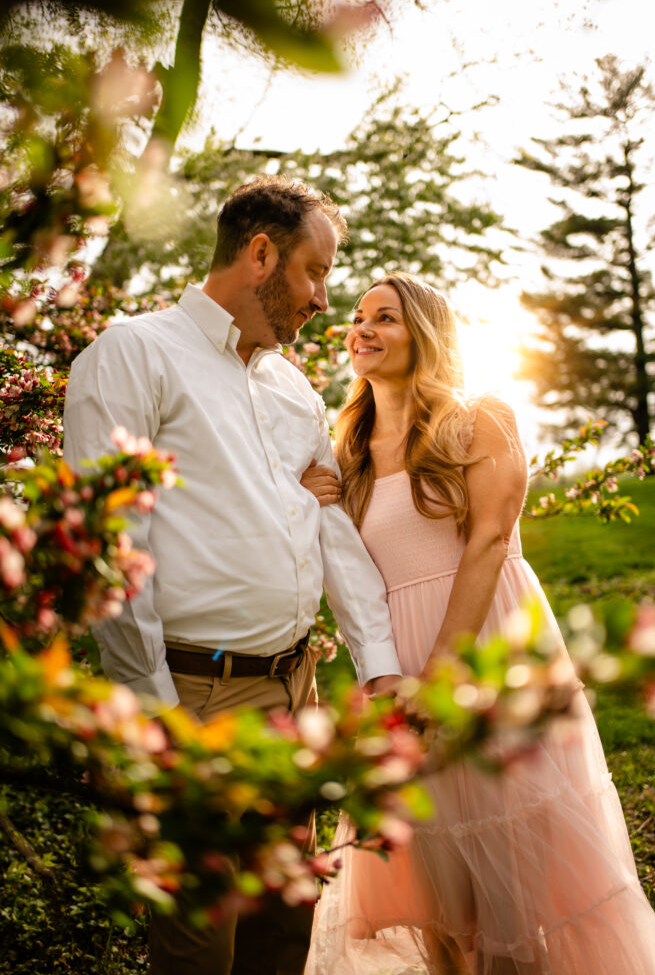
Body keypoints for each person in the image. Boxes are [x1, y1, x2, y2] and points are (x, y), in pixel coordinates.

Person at [62, 176, 402, 975]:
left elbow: (327, 526)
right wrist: (157, 720)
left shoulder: (289, 386)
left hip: (296, 688)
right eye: (315, 271)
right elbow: (112, 545)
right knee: (199, 945)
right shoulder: (134, 354)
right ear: (259, 255)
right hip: (194, 701)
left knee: (285, 924)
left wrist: (377, 660)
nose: (325, 298)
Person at [301, 272, 655, 975]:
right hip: (394, 661)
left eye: (384, 317)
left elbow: (486, 543)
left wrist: (440, 676)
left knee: (515, 867)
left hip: (482, 648)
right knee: (432, 862)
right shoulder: (344, 448)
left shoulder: (479, 417)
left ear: (423, 331)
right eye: (357, 317)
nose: (360, 329)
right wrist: (314, 498)